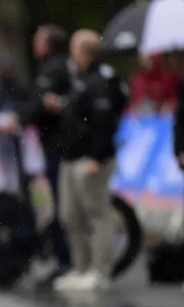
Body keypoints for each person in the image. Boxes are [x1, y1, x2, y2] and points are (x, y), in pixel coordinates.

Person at [50, 30, 128, 292]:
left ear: (83, 51)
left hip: (91, 159)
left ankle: (100, 271)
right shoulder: (81, 78)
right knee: (71, 215)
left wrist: (97, 156)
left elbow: (105, 122)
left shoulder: (102, 80)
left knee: (97, 214)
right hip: (71, 157)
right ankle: (80, 267)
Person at [17, 24, 73, 277]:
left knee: (62, 204)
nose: (33, 43)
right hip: (55, 145)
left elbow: (38, 104)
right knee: (58, 202)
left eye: (39, 39)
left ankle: (65, 259)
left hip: (57, 146)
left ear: (48, 44)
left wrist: (18, 120)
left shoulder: (54, 68)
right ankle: (63, 256)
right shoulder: (58, 67)